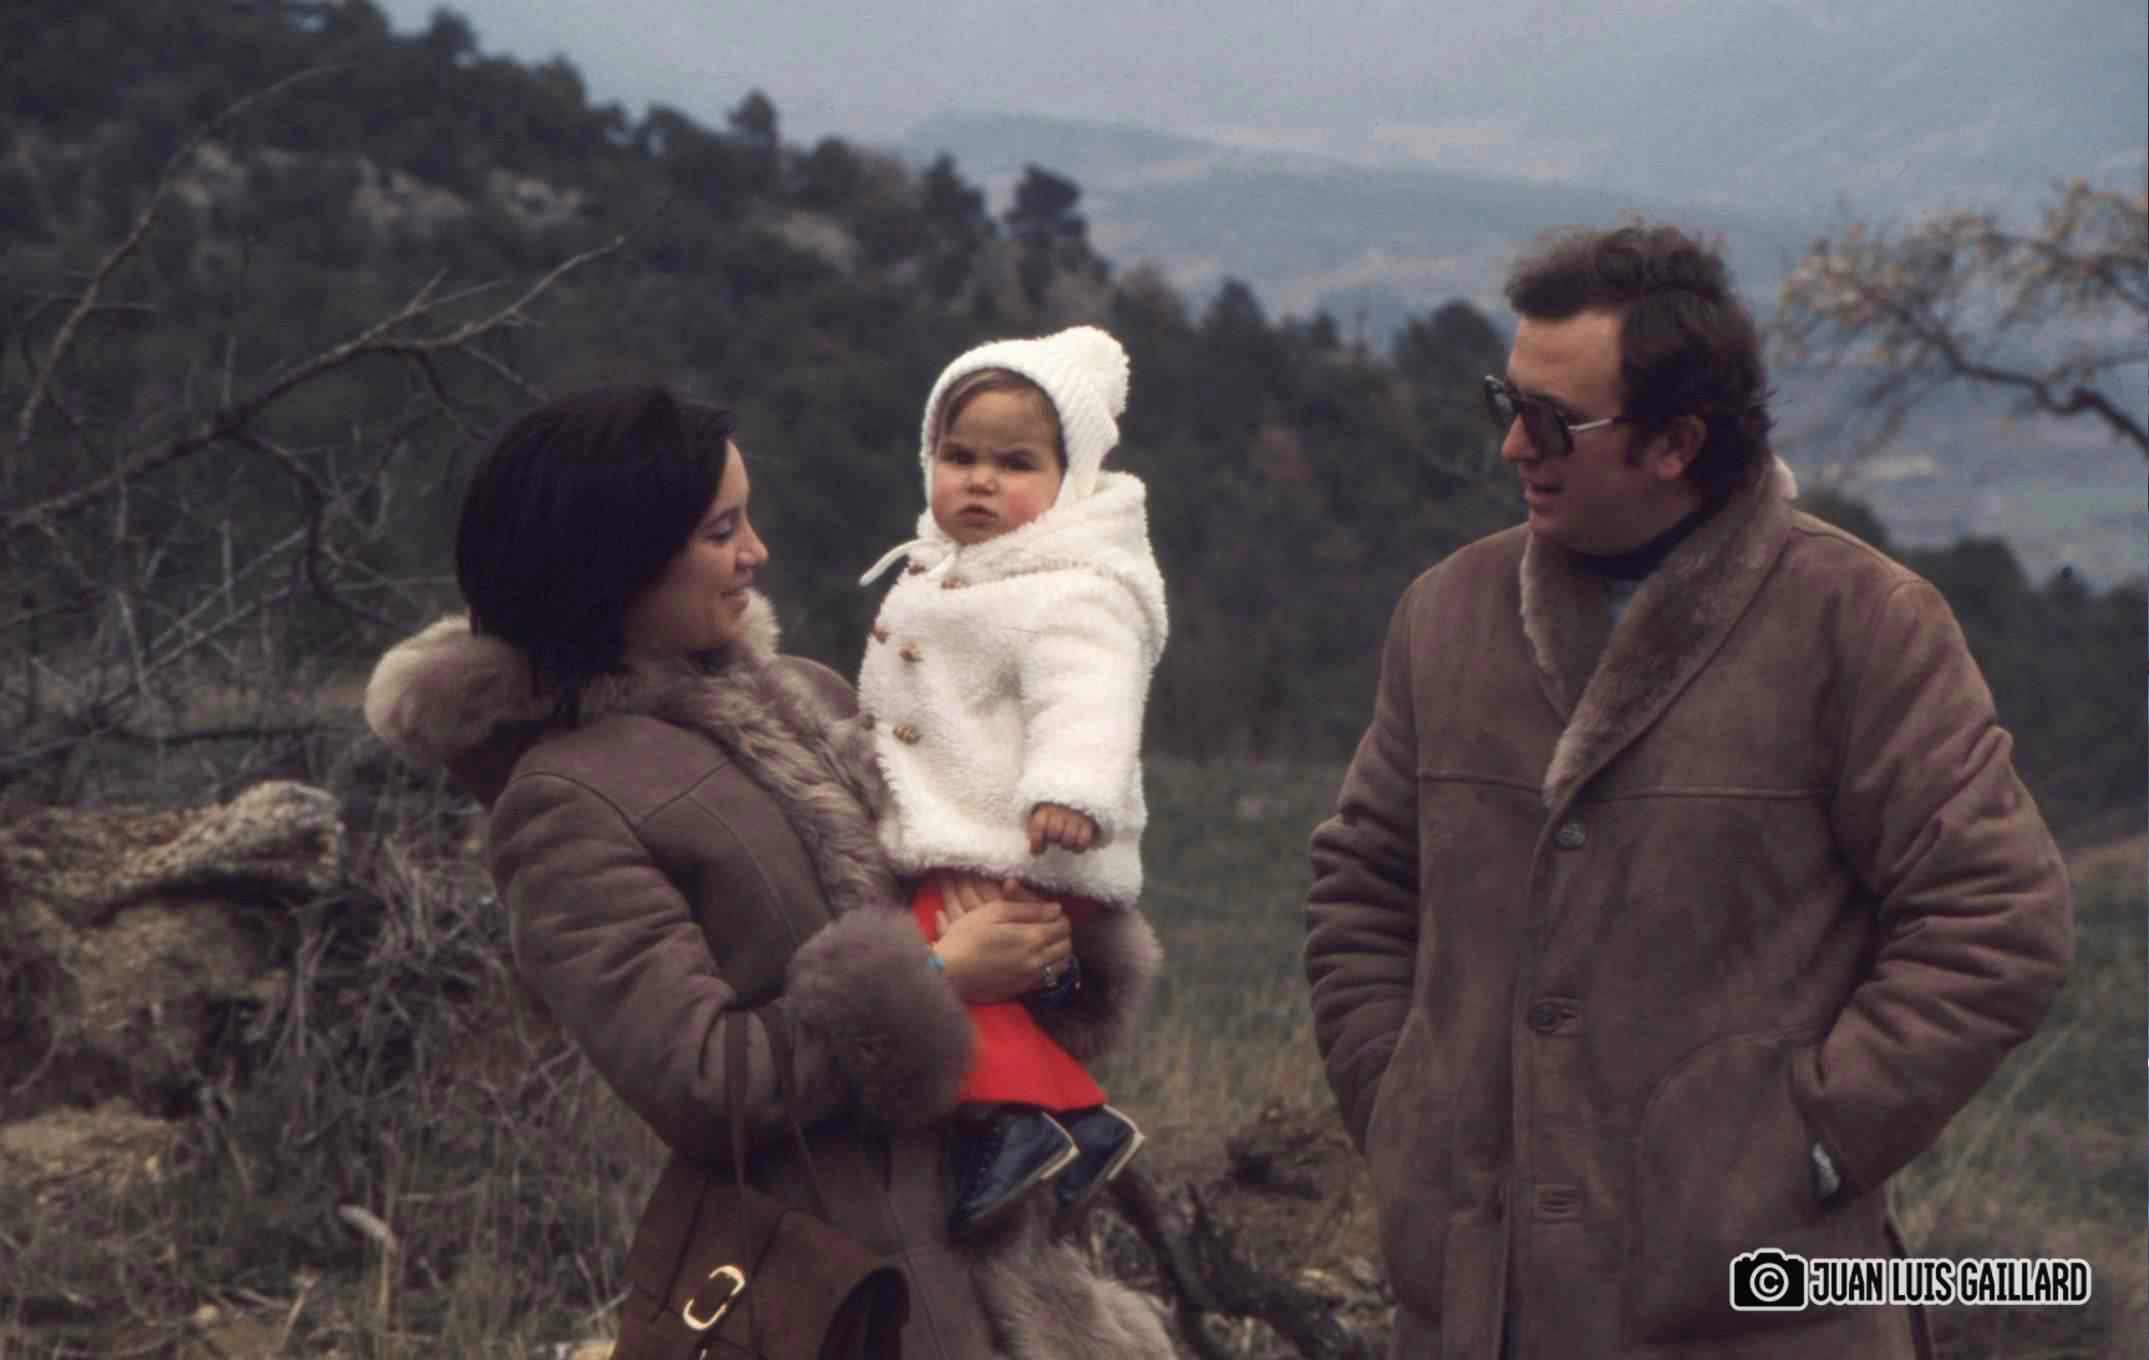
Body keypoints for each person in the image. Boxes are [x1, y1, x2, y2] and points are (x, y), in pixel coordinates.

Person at [1302, 224, 2072, 1359]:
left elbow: (1997, 920)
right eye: (1504, 402)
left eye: (1551, 421)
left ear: (1676, 442)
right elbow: (1361, 885)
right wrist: (1399, 1106)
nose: (1513, 444)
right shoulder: (1445, 616)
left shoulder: (1861, 624)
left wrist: (1808, 1149)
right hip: (1474, 1314)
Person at [364, 387, 1175, 1358]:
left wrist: (1044, 938)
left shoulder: (811, 697)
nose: (756, 552)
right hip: (841, 1297)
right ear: (616, 560)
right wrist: (934, 977)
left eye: (746, 518)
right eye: (720, 531)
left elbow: (976, 899)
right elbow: (703, 1081)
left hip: (1014, 1266)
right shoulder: (564, 804)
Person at [855, 325, 1168, 1239]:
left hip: (1035, 840)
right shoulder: (942, 569)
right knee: (964, 965)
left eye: (1016, 462)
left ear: (1070, 481)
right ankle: (1084, 1124)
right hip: (970, 831)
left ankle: (1010, 1124)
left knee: (947, 961)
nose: (981, 481)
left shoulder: (1074, 588)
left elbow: (1091, 694)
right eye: (959, 456)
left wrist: (1070, 790)